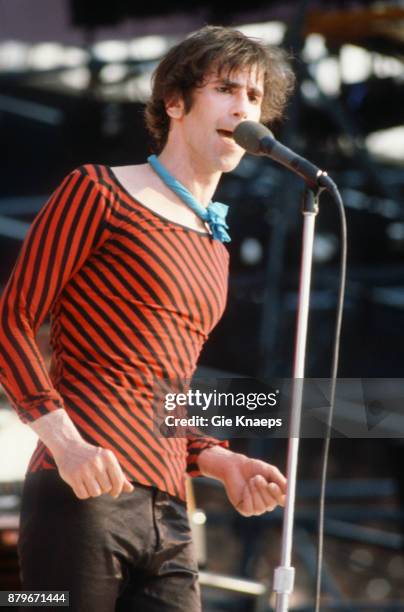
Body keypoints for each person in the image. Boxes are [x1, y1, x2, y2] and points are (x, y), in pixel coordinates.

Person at [0, 25, 294, 612]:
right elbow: (12, 319)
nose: (243, 108)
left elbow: (163, 388)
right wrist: (66, 444)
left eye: (255, 98)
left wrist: (219, 458)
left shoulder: (214, 245)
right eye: (226, 90)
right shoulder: (99, 192)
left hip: (169, 509)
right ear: (175, 102)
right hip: (83, 492)